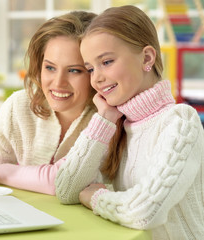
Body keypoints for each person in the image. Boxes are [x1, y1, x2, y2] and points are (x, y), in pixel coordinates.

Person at [54, 5, 204, 239]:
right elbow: (66, 189)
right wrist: (104, 118)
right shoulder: (117, 125)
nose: (97, 78)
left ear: (147, 57)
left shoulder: (180, 122)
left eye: (107, 62)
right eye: (90, 69)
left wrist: (96, 197)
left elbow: (145, 211)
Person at [0, 11, 97, 195]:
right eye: (50, 67)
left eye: (75, 70)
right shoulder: (18, 106)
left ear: (95, 71)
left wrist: (0, 173)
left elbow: (63, 180)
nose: (58, 82)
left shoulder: (107, 116)